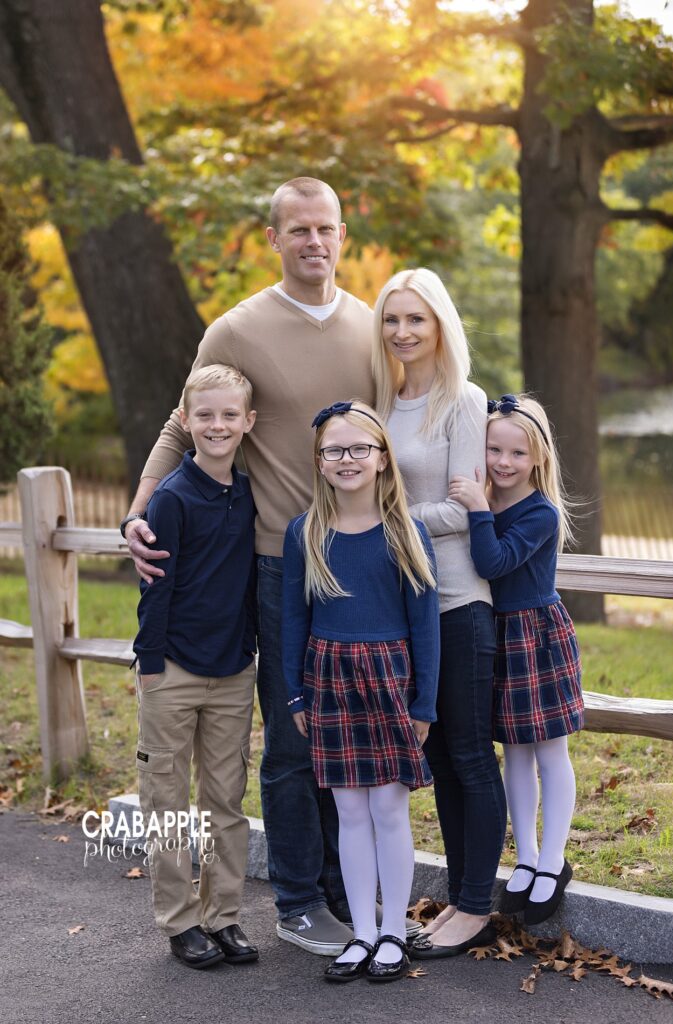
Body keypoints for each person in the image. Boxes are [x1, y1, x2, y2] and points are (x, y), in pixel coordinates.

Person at [123, 177, 380, 956]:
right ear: (274, 237)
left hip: (361, 562)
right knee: (294, 740)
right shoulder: (236, 329)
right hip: (277, 567)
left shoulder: (373, 327)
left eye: (325, 229)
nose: (313, 242)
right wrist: (138, 511)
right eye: (297, 229)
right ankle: (297, 901)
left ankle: (350, 889)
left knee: (352, 736)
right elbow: (182, 421)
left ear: (342, 235)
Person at [282, 401, 440, 983]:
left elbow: (427, 626)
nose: (346, 460)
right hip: (329, 678)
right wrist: (296, 696)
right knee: (349, 809)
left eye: (359, 449)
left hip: (390, 679)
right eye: (334, 450)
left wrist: (423, 704)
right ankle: (363, 934)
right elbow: (292, 623)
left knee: (389, 807)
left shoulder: (405, 532)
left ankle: (394, 930)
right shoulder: (305, 532)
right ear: (319, 462)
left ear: (380, 459)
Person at [372, 268, 505, 959]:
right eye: (392, 319)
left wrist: (383, 522)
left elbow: (462, 508)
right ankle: (460, 894)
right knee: (433, 756)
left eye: (415, 319)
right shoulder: (377, 400)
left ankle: (474, 906)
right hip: (399, 611)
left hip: (456, 603)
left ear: (439, 326)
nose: (402, 332)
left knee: (466, 754)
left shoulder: (464, 400)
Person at [133, 364, 259, 969]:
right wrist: (151, 663)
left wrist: (251, 649)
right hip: (173, 670)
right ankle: (180, 921)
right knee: (167, 800)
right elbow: (155, 586)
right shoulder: (172, 497)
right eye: (205, 415)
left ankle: (223, 916)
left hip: (234, 671)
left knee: (225, 800)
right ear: (185, 421)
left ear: (248, 423)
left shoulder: (250, 490)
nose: (217, 425)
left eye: (229, 415)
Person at [448, 393, 583, 925]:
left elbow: (493, 561)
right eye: (494, 450)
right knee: (515, 754)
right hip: (495, 633)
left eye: (517, 454)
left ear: (538, 459)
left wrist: (478, 511)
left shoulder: (541, 512)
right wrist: (479, 506)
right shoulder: (486, 498)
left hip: (536, 634)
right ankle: (525, 857)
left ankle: (553, 860)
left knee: (549, 750)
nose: (504, 463)